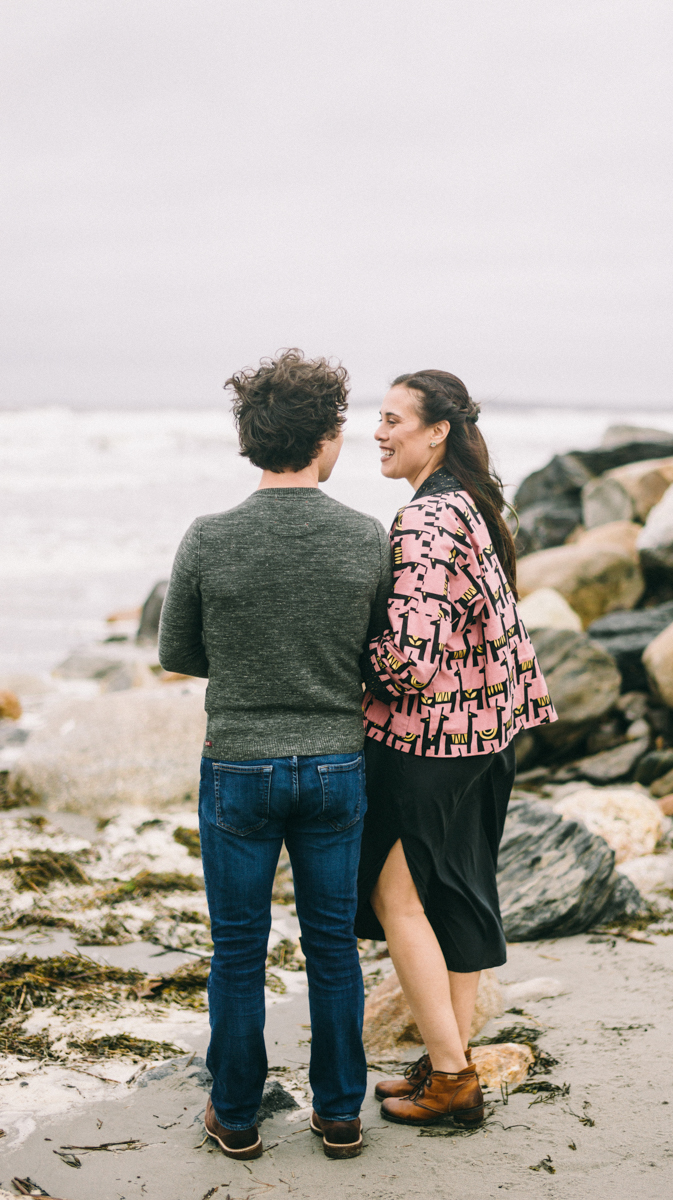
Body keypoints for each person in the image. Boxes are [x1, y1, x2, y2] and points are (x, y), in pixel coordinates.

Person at [158, 349, 391, 1161]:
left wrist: (254, 656)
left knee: (238, 947)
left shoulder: (209, 537)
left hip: (240, 766)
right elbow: (377, 653)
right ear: (326, 437)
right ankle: (338, 1113)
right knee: (331, 944)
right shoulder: (366, 536)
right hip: (335, 764)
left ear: (251, 437)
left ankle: (237, 1115)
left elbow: (178, 652)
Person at [356, 369, 556, 1128]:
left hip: (430, 742)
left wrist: (342, 663)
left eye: (391, 418)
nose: (377, 431)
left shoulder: (424, 521)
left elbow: (410, 660)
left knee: (396, 897)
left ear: (436, 430)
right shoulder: (469, 505)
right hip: (486, 734)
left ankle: (450, 1079)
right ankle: (454, 1061)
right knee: (459, 898)